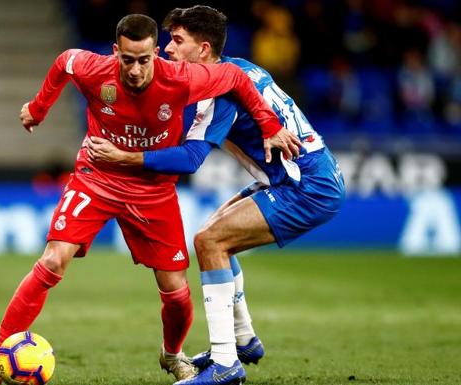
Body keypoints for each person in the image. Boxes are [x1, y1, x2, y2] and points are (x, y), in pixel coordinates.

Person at [0, 13, 301, 385]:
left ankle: (173, 355)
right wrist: (38, 108)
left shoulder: (180, 78)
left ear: (155, 53)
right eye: (128, 60)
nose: (136, 70)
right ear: (116, 52)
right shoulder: (96, 70)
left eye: (145, 60)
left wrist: (270, 126)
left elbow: (237, 78)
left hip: (153, 190)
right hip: (97, 178)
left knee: (175, 292)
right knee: (52, 260)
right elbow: (65, 62)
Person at [86, 6, 346, 385]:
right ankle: (243, 341)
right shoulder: (240, 68)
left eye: (177, 41)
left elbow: (191, 158)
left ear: (203, 49)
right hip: (306, 175)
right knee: (212, 234)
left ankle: (226, 362)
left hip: (305, 187)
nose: (167, 50)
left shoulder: (221, 92)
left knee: (211, 242)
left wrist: (128, 156)